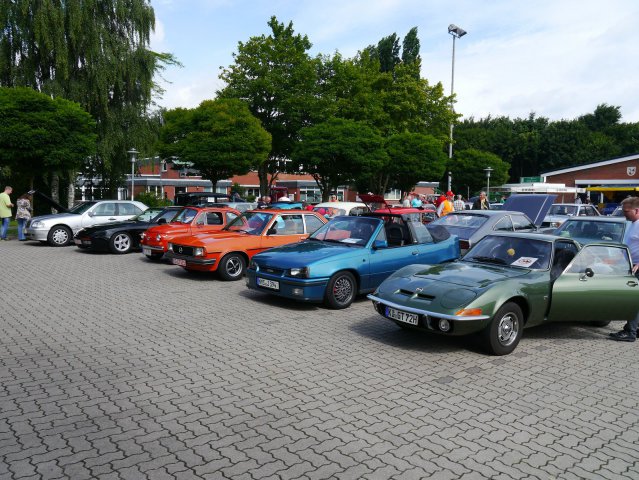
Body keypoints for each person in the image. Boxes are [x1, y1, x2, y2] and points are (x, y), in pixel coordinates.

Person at [609, 196, 639, 342]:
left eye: (626, 211)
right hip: (630, 266)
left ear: (637, 210)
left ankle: (630, 332)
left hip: (637, 268)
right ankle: (635, 329)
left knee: (634, 301)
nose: (624, 214)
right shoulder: (632, 224)